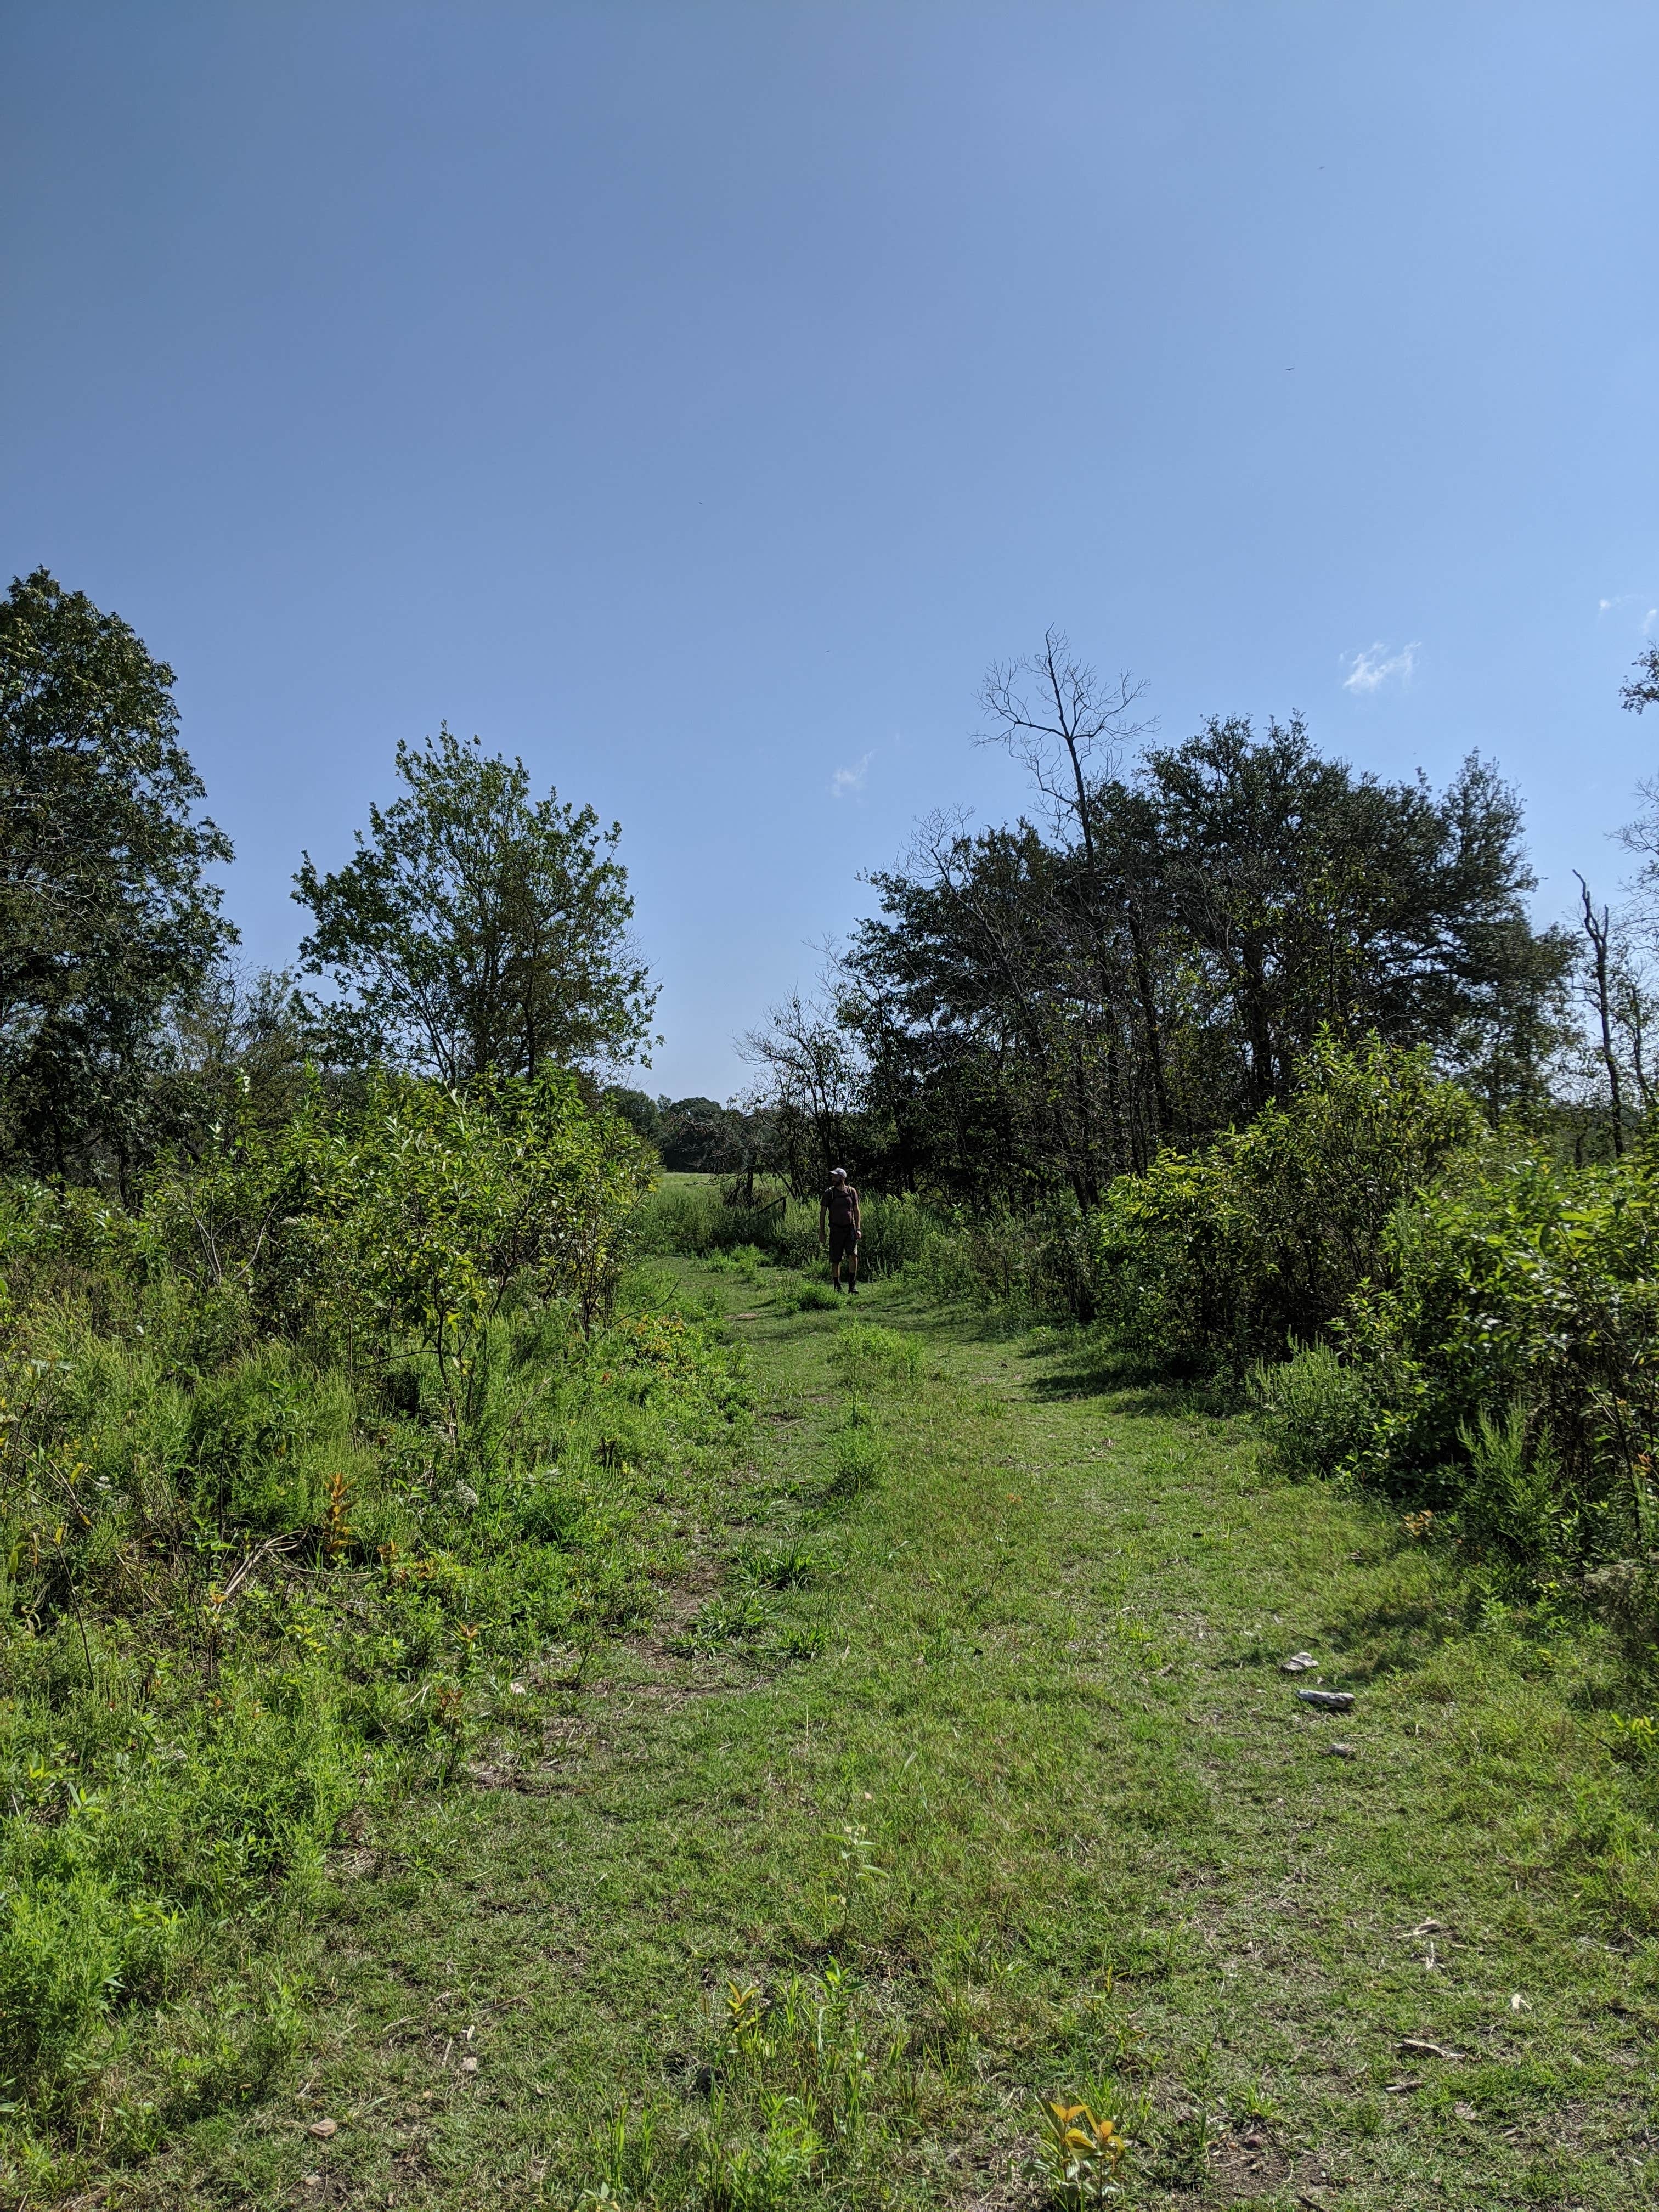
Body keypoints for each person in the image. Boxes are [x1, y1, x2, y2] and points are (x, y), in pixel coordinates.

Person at [819, 1166, 862, 1293]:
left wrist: (858, 1228)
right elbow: (822, 1213)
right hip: (836, 1230)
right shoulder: (829, 1193)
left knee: (853, 1255)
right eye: (832, 1176)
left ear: (842, 1178)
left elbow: (856, 1210)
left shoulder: (851, 1192)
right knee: (836, 1259)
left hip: (850, 1229)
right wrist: (821, 1232)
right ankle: (837, 1286)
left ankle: (852, 1285)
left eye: (835, 1176)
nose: (833, 1179)